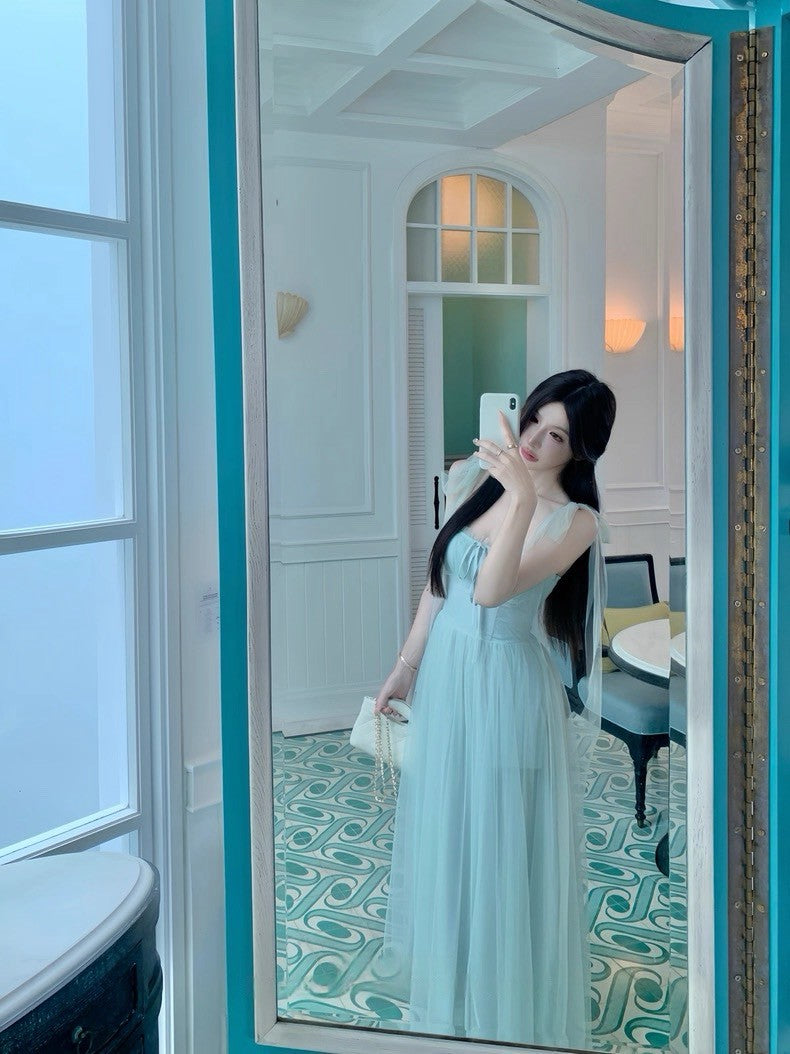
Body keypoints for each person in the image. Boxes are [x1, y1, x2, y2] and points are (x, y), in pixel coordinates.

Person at [373, 369, 616, 1047]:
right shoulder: (470, 480)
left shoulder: (576, 522)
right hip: (449, 678)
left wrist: (520, 496)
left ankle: (499, 1002)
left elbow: (491, 590)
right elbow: (441, 588)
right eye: (535, 419)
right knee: (451, 828)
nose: (534, 439)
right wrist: (404, 669)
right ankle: (452, 983)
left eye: (557, 435)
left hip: (509, 689)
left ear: (581, 450)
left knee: (501, 841)